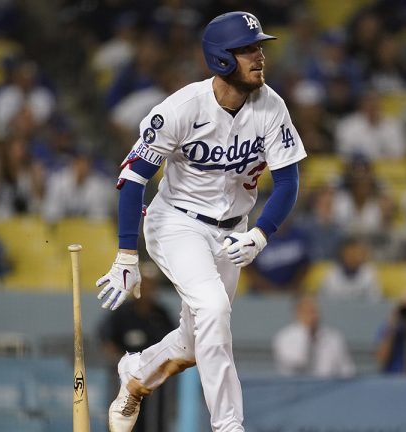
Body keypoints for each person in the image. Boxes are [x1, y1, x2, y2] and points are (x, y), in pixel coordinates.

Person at [94, 11, 307, 432]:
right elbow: (134, 177)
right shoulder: (182, 108)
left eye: (259, 46)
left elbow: (288, 182)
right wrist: (126, 253)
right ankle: (228, 425)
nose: (260, 55)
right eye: (247, 49)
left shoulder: (271, 106)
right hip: (177, 223)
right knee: (213, 308)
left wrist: (261, 234)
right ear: (221, 58)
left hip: (233, 232)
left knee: (194, 344)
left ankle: (136, 376)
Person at [99, 261, 176, 432]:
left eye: (151, 285)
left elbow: (175, 344)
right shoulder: (122, 314)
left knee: (154, 423)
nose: (147, 289)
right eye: (143, 284)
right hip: (125, 384)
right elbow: (106, 338)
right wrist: (124, 364)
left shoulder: (162, 315)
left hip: (155, 387)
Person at [272, 295, 355, 378]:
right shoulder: (284, 337)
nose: (314, 316)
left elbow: (347, 368)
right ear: (297, 313)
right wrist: (307, 333)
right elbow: (297, 363)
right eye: (308, 312)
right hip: (295, 384)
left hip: (329, 383)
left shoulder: (333, 336)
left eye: (315, 311)